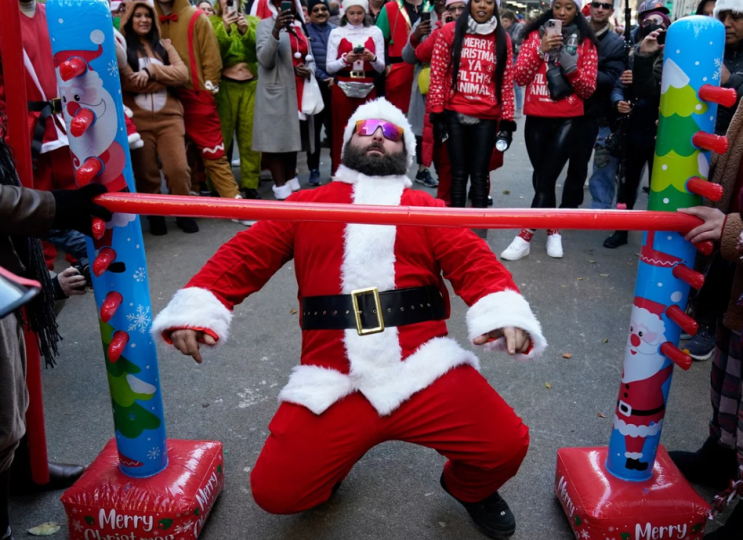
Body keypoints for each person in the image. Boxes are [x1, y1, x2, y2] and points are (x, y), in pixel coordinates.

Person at [152, 97, 546, 539]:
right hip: (334, 378)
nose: (379, 135)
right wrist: (197, 310)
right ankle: (333, 458)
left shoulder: (428, 209)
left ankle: (467, 488)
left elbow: (476, 263)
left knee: (506, 446)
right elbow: (241, 258)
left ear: (407, 152)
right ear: (347, 143)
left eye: (392, 132)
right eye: (367, 128)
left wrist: (504, 311)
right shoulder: (305, 205)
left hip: (424, 367)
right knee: (276, 494)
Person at [0, 127, 112, 540]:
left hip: (10, 263)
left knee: (16, 395)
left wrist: (45, 285)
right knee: (3, 419)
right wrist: (55, 206)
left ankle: (25, 466)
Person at [667, 100, 743, 540]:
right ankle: (721, 454)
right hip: (734, 270)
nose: (730, 24)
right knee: (729, 369)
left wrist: (735, 230)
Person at [501, 0, 598, 261]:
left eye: (569, 7)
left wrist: (570, 66)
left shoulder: (585, 42)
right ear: (551, 8)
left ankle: (525, 237)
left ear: (577, 10)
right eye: (558, 6)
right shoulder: (534, 35)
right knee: (542, 178)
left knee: (546, 177)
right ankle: (554, 229)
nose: (562, 13)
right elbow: (519, 78)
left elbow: (589, 89)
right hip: (536, 118)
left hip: (568, 119)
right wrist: (539, 50)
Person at [118, 0, 199, 236]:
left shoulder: (165, 45)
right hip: (139, 123)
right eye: (138, 15)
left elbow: (182, 74)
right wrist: (164, 77)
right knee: (147, 173)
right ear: (129, 19)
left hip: (170, 119)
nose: (144, 20)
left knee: (179, 169)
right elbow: (128, 82)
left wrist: (151, 71)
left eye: (148, 16)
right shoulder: (121, 48)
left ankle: (185, 212)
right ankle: (155, 216)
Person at [429, 0, 516, 216]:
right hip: (454, 114)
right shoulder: (450, 32)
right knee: (458, 173)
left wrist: (507, 121)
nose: (482, 6)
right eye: (478, 0)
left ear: (494, 7)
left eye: (488, 2)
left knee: (479, 174)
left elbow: (506, 82)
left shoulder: (502, 37)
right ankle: (456, 228)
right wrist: (437, 114)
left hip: (486, 117)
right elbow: (438, 74)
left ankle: (478, 229)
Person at [154, 0, 243, 201]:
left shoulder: (196, 18)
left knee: (214, 152)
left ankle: (233, 200)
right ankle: (188, 199)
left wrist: (209, 91)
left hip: (196, 94)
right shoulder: (150, 18)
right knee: (179, 155)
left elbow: (211, 58)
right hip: (165, 96)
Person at [602, 4, 669, 249]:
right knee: (627, 184)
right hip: (634, 128)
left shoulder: (675, 56)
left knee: (659, 186)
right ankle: (621, 228)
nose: (655, 28)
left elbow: (655, 87)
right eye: (649, 22)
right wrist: (618, 99)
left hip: (661, 130)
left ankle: (660, 235)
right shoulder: (633, 53)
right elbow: (620, 85)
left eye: (660, 24)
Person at [404, 0, 467, 205]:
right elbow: (410, 56)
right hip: (428, 92)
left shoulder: (472, 23)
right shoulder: (426, 23)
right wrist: (421, 34)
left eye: (459, 8)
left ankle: (467, 189)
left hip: (463, 97)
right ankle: (439, 185)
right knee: (436, 145)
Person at [254, 0, 316, 199]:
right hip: (277, 93)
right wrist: (275, 30)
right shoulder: (264, 25)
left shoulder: (300, 26)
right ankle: (280, 188)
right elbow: (265, 60)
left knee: (292, 140)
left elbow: (310, 58)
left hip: (299, 91)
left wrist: (309, 70)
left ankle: (291, 181)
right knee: (276, 143)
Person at [564, 0, 623, 210]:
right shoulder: (573, 31)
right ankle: (561, 212)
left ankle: (599, 214)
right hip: (566, 110)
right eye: (597, 4)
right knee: (562, 163)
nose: (600, 9)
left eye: (605, 6)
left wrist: (580, 71)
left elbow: (612, 78)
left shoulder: (616, 43)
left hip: (600, 114)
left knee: (601, 170)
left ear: (611, 11)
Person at [210, 0, 263, 205]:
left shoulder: (253, 21)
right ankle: (218, 185)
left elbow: (258, 51)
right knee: (222, 138)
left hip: (251, 85)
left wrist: (244, 30)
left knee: (250, 139)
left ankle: (250, 184)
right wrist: (224, 27)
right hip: (224, 87)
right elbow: (214, 54)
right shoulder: (210, 22)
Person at [326, 0, 385, 175]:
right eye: (352, 13)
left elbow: (381, 67)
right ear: (345, 13)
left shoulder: (375, 32)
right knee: (341, 132)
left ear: (365, 12)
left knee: (367, 132)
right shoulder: (336, 33)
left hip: (367, 87)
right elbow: (329, 67)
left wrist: (372, 58)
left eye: (360, 13)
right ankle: (340, 171)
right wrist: (345, 60)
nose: (356, 17)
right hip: (343, 87)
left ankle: (366, 171)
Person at [403, 0, 446, 188]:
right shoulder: (424, 21)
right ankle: (422, 170)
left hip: (455, 84)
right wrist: (416, 36)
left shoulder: (465, 19)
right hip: (427, 83)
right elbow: (408, 57)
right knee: (423, 130)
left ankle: (449, 173)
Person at [376, 0, 431, 114]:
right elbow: (377, 41)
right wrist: (387, 66)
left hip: (428, 73)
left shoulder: (432, 7)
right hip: (398, 74)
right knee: (397, 122)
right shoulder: (389, 8)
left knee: (425, 122)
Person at [306, 0, 336, 184]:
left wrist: (336, 78)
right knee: (313, 132)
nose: (320, 12)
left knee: (334, 131)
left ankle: (336, 168)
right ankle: (314, 169)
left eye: (323, 9)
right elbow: (307, 60)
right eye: (315, 10)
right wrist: (323, 76)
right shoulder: (305, 31)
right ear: (309, 13)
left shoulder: (336, 31)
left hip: (336, 87)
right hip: (314, 88)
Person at [714, 2, 743, 135]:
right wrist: (644, 57)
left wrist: (729, 81)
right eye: (721, 16)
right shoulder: (707, 51)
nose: (726, 23)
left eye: (736, 15)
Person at [501, 9, 525, 117]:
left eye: (506, 21)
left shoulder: (518, 27)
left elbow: (516, 39)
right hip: (506, 57)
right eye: (503, 21)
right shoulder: (504, 29)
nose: (504, 23)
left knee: (516, 85)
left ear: (511, 20)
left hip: (515, 57)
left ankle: (519, 109)